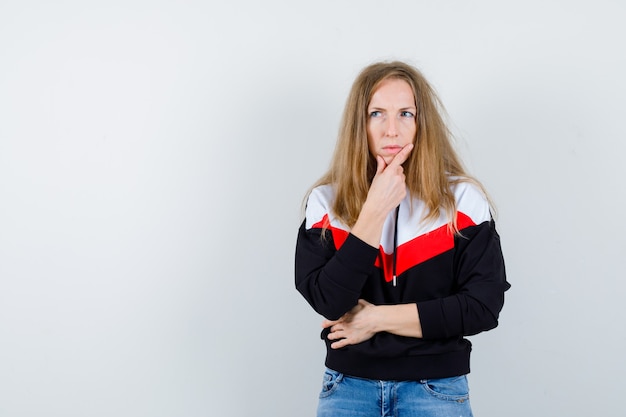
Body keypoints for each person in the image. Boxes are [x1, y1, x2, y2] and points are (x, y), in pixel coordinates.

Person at [294, 60, 510, 417]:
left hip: (436, 390)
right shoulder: (325, 202)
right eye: (377, 113)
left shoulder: (465, 200)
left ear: (422, 123)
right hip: (347, 388)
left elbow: (482, 307)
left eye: (405, 114)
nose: (391, 130)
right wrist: (374, 211)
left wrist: (376, 319)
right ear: (358, 125)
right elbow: (328, 301)